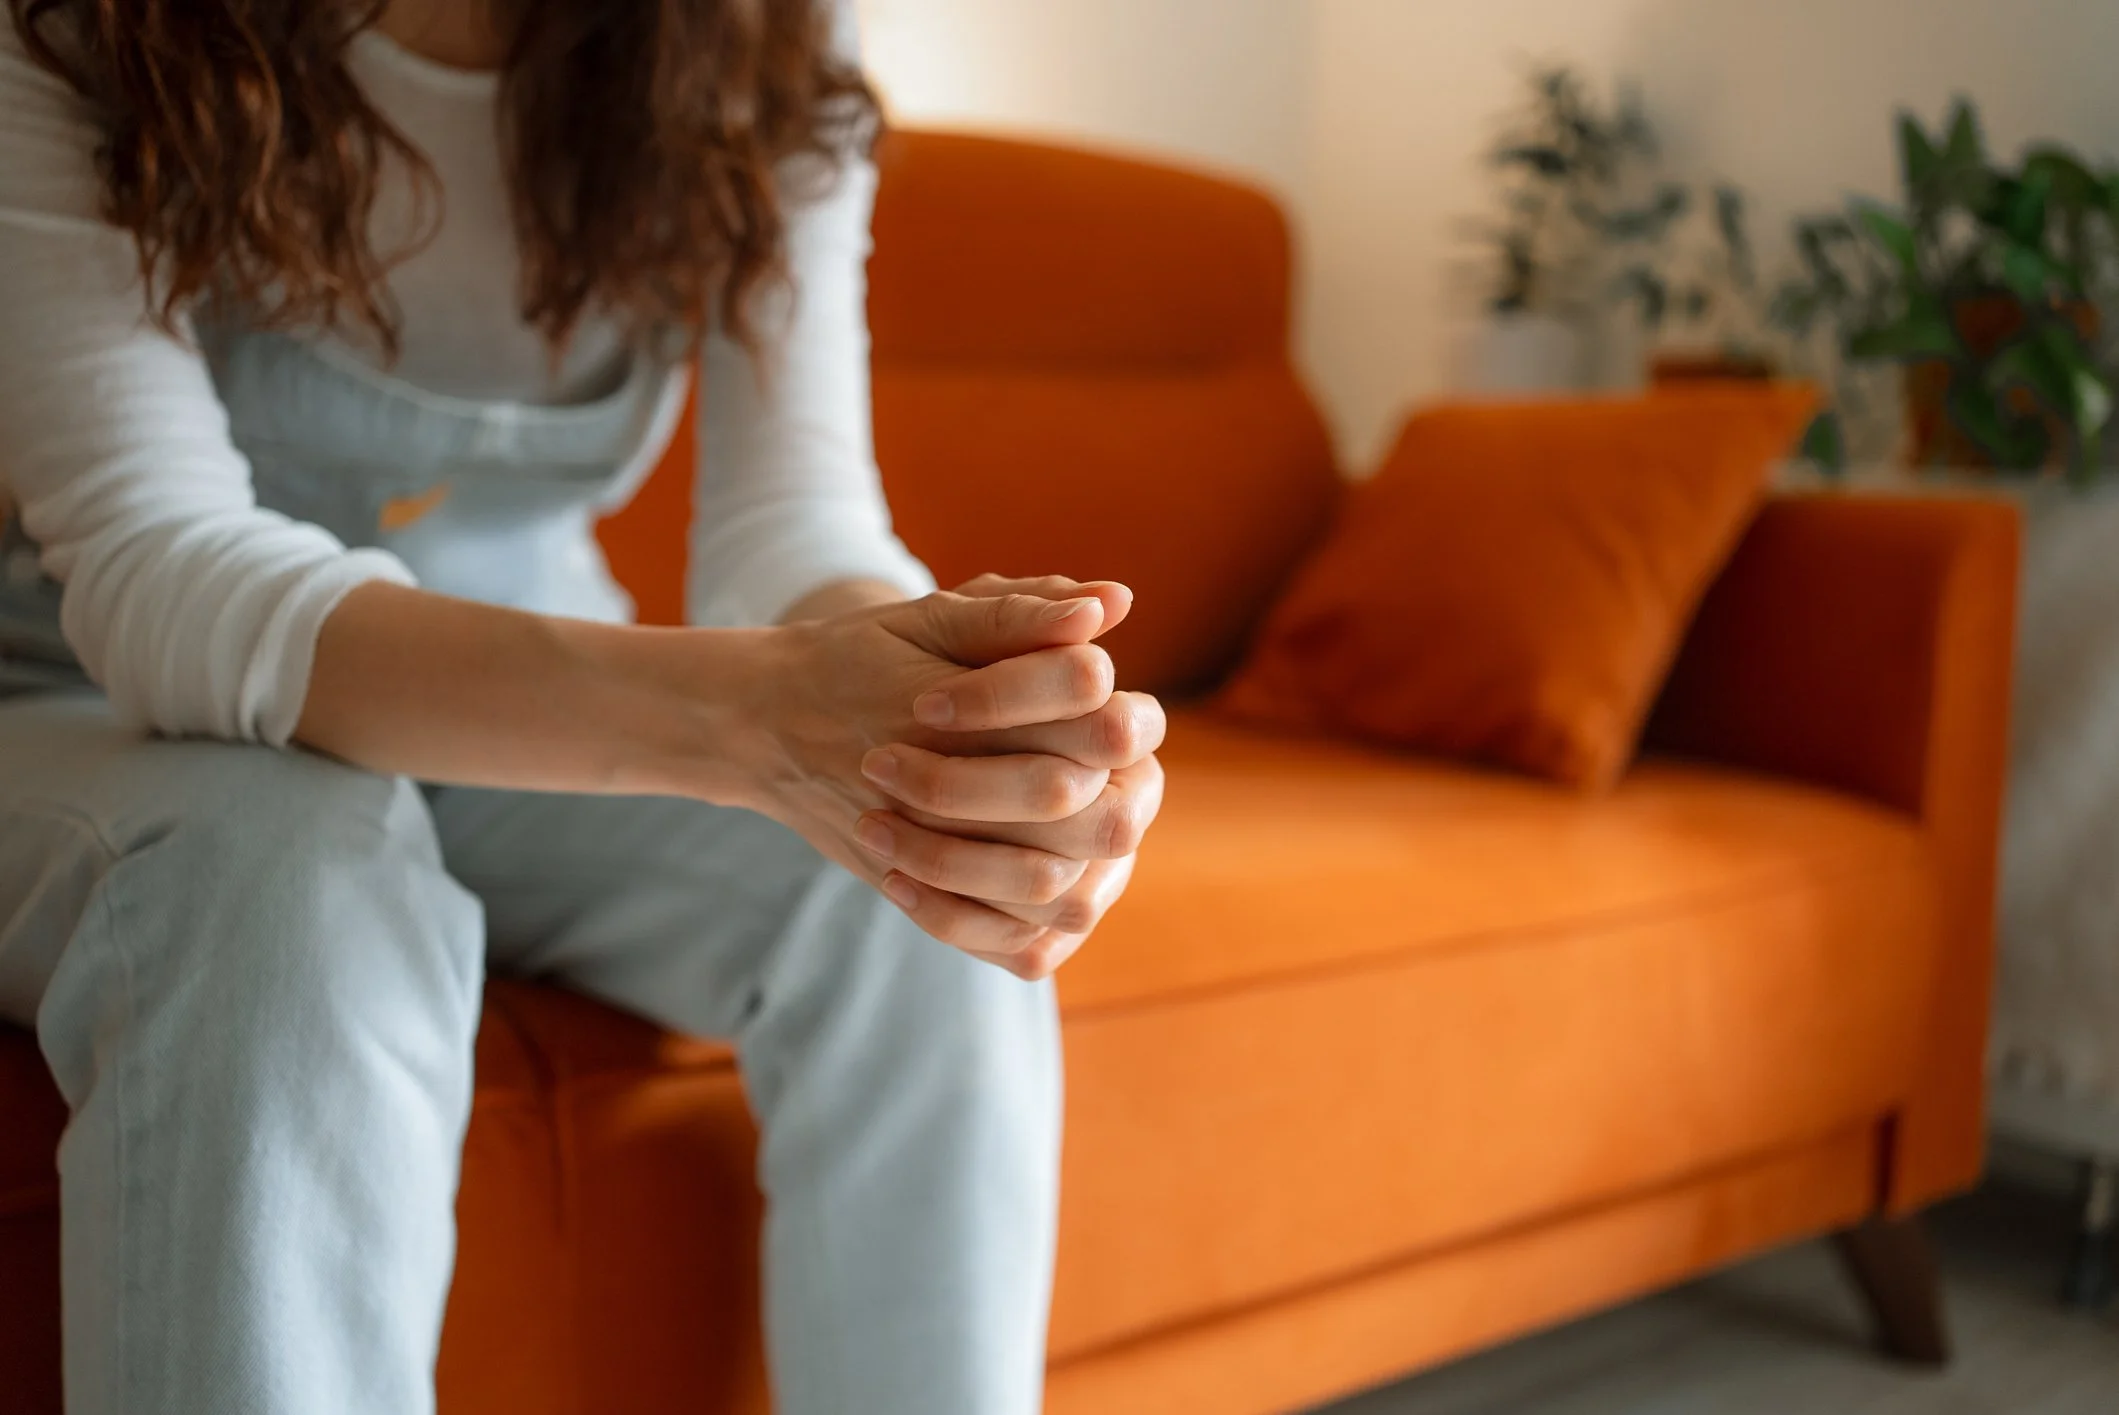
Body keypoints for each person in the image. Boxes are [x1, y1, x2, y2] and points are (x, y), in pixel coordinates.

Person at [0, 1, 1166, 1411]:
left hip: (532, 693)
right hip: (85, 700)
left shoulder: (764, 35)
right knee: (289, 884)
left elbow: (789, 530)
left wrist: (949, 709)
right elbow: (156, 566)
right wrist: (751, 715)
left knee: (902, 859)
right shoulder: (82, 30)